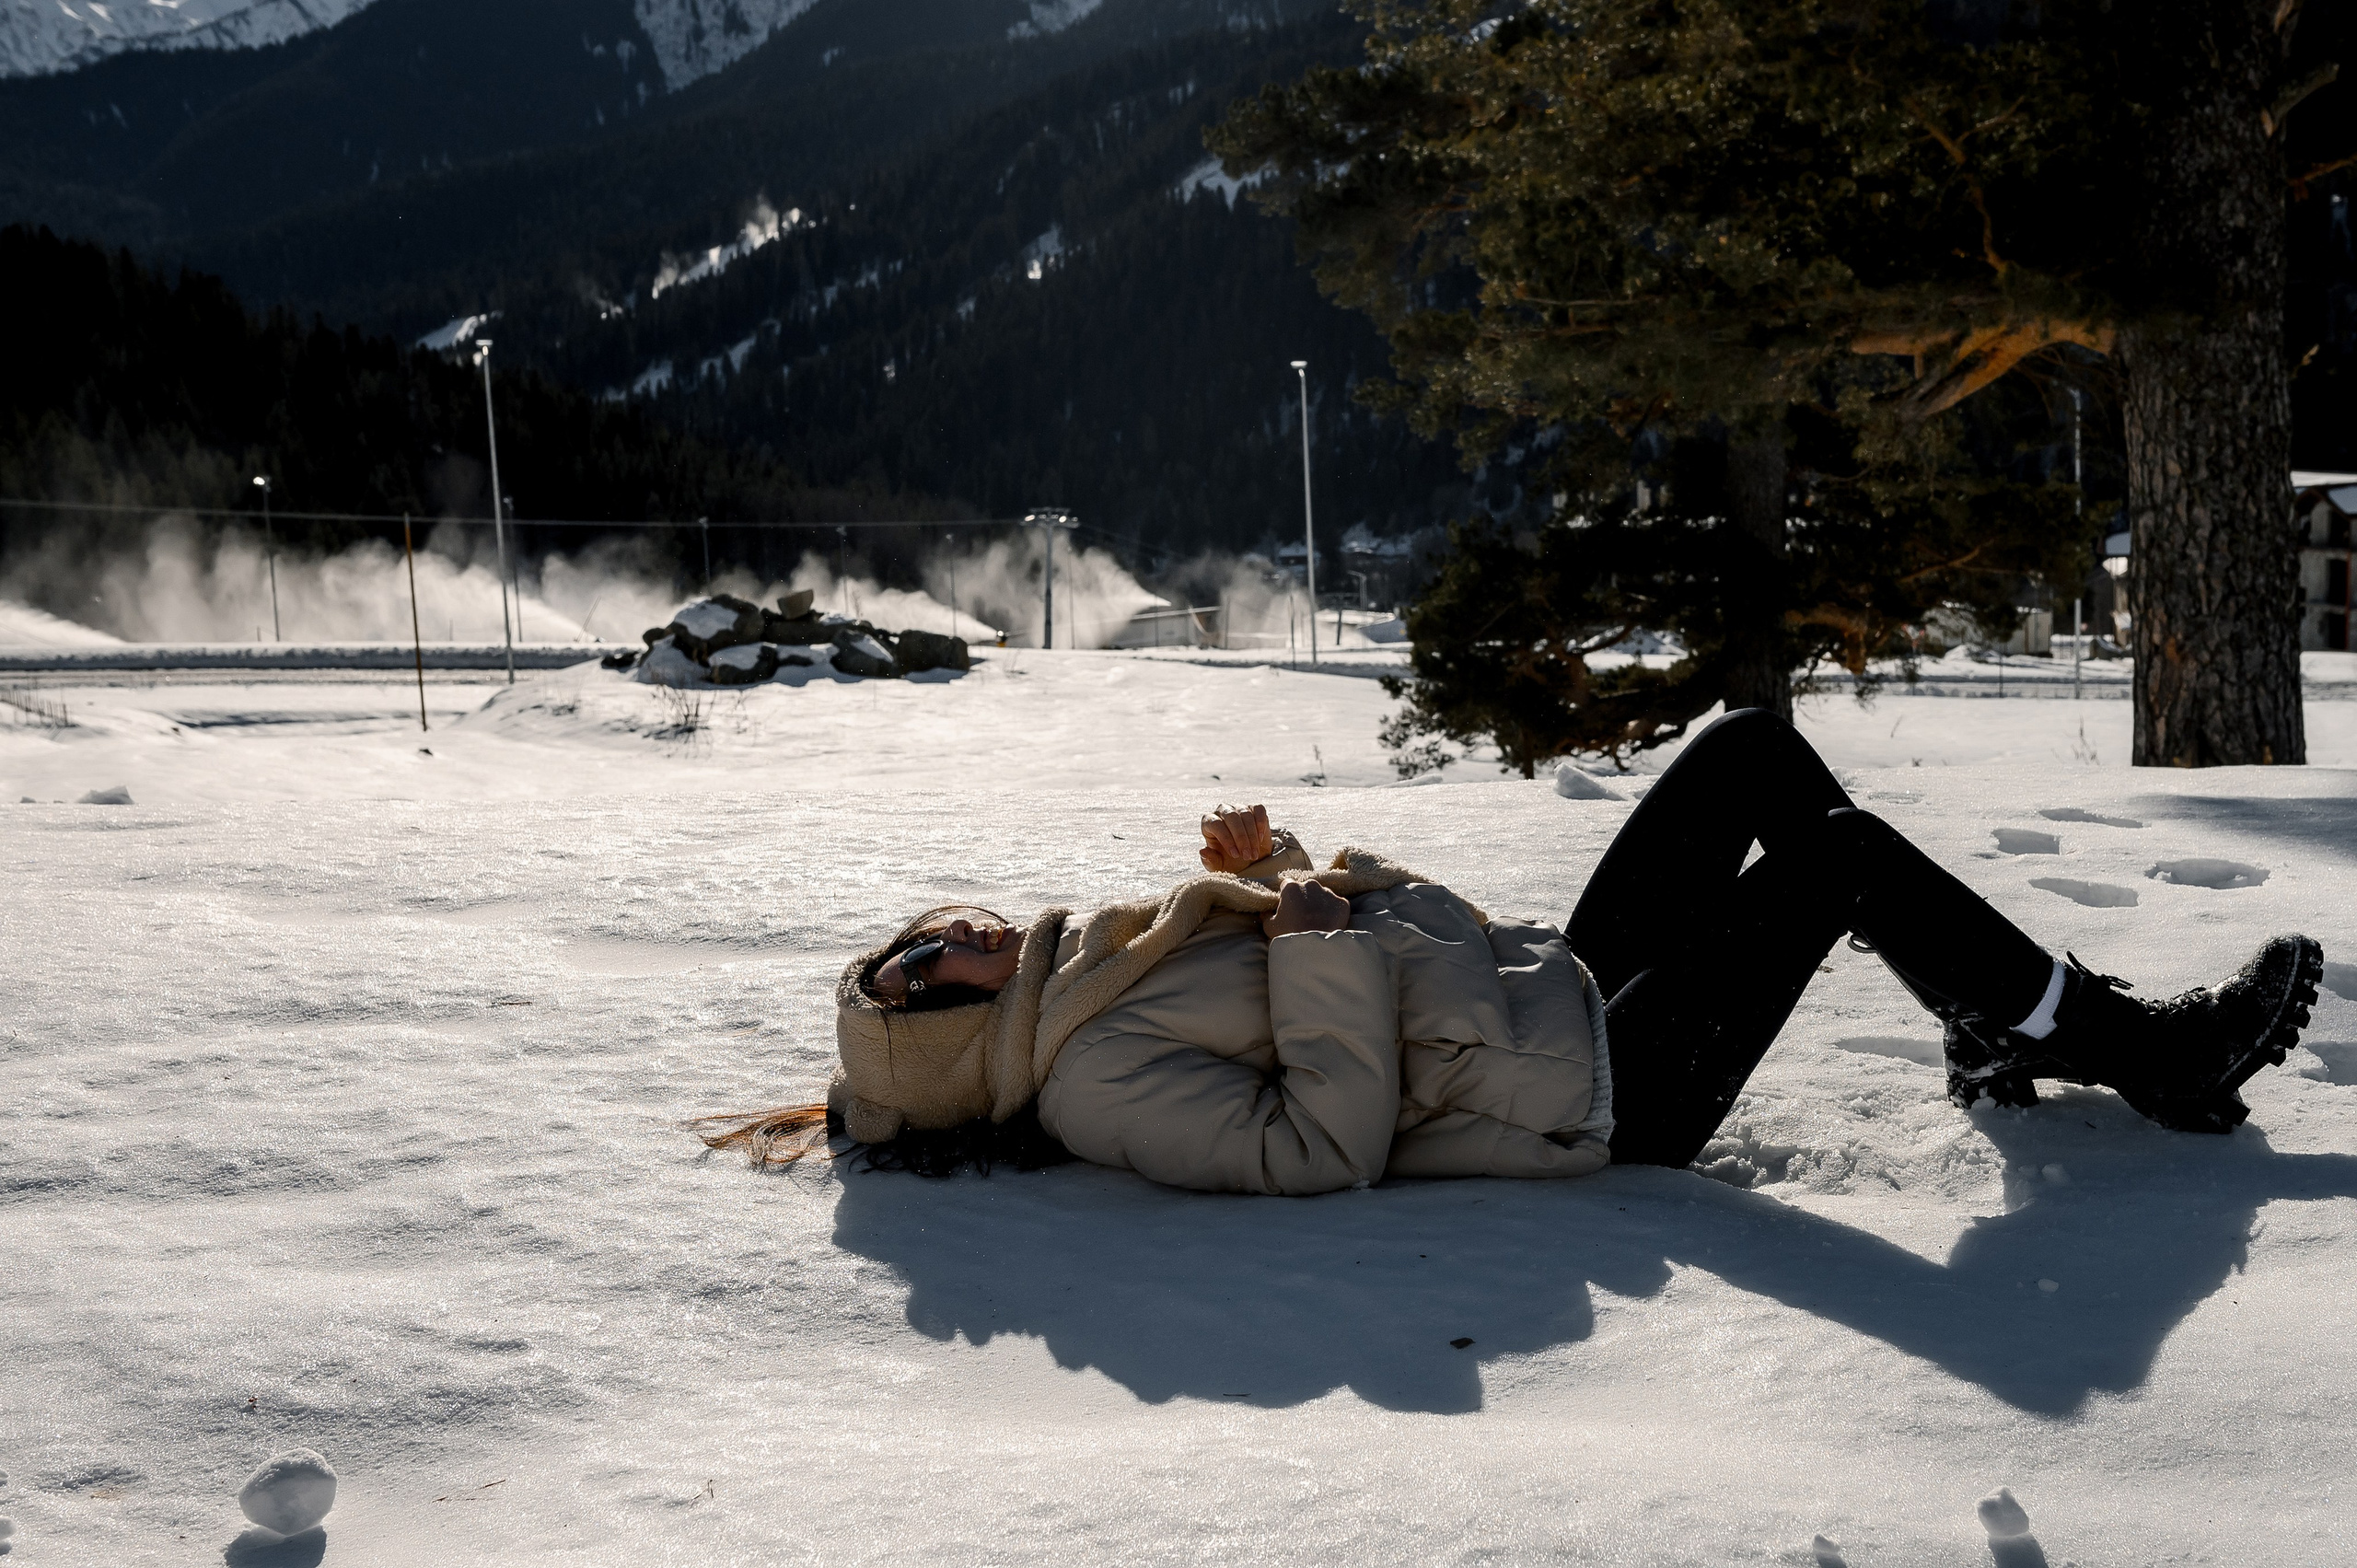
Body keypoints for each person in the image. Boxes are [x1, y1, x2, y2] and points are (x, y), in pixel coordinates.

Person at [693, 709, 2326, 1192]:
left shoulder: (1090, 972)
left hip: (1545, 993)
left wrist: (1283, 876)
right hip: (1595, 1095)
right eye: (917, 974)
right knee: (1833, 859)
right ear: (938, 1045)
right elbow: (1320, 1147)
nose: (940, 939)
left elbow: (1353, 937)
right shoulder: (1091, 1084)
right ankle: (2137, 1048)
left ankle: (1994, 1021)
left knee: (1753, 754)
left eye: (912, 936)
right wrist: (1316, 936)